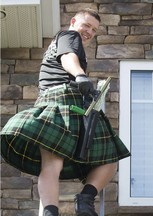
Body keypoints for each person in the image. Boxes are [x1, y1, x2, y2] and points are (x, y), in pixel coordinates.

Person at [0, 8, 130, 216]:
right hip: (61, 100)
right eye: (86, 25)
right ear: (73, 21)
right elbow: (67, 57)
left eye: (94, 30)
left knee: (95, 159)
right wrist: (80, 75)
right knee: (70, 161)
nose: (88, 31)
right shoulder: (69, 36)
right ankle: (73, 204)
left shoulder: (68, 40)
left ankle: (75, 203)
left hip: (66, 102)